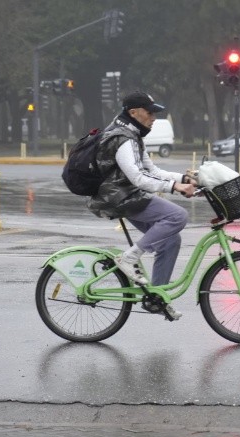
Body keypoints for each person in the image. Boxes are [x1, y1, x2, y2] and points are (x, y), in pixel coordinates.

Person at [88, 91, 197, 320]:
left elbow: (153, 171)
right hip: (121, 197)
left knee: (170, 240)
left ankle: (156, 298)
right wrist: (174, 188)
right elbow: (138, 178)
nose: (153, 118)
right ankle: (129, 258)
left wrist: (183, 179)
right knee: (178, 216)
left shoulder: (133, 135)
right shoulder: (123, 139)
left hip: (128, 195)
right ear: (133, 112)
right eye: (150, 112)